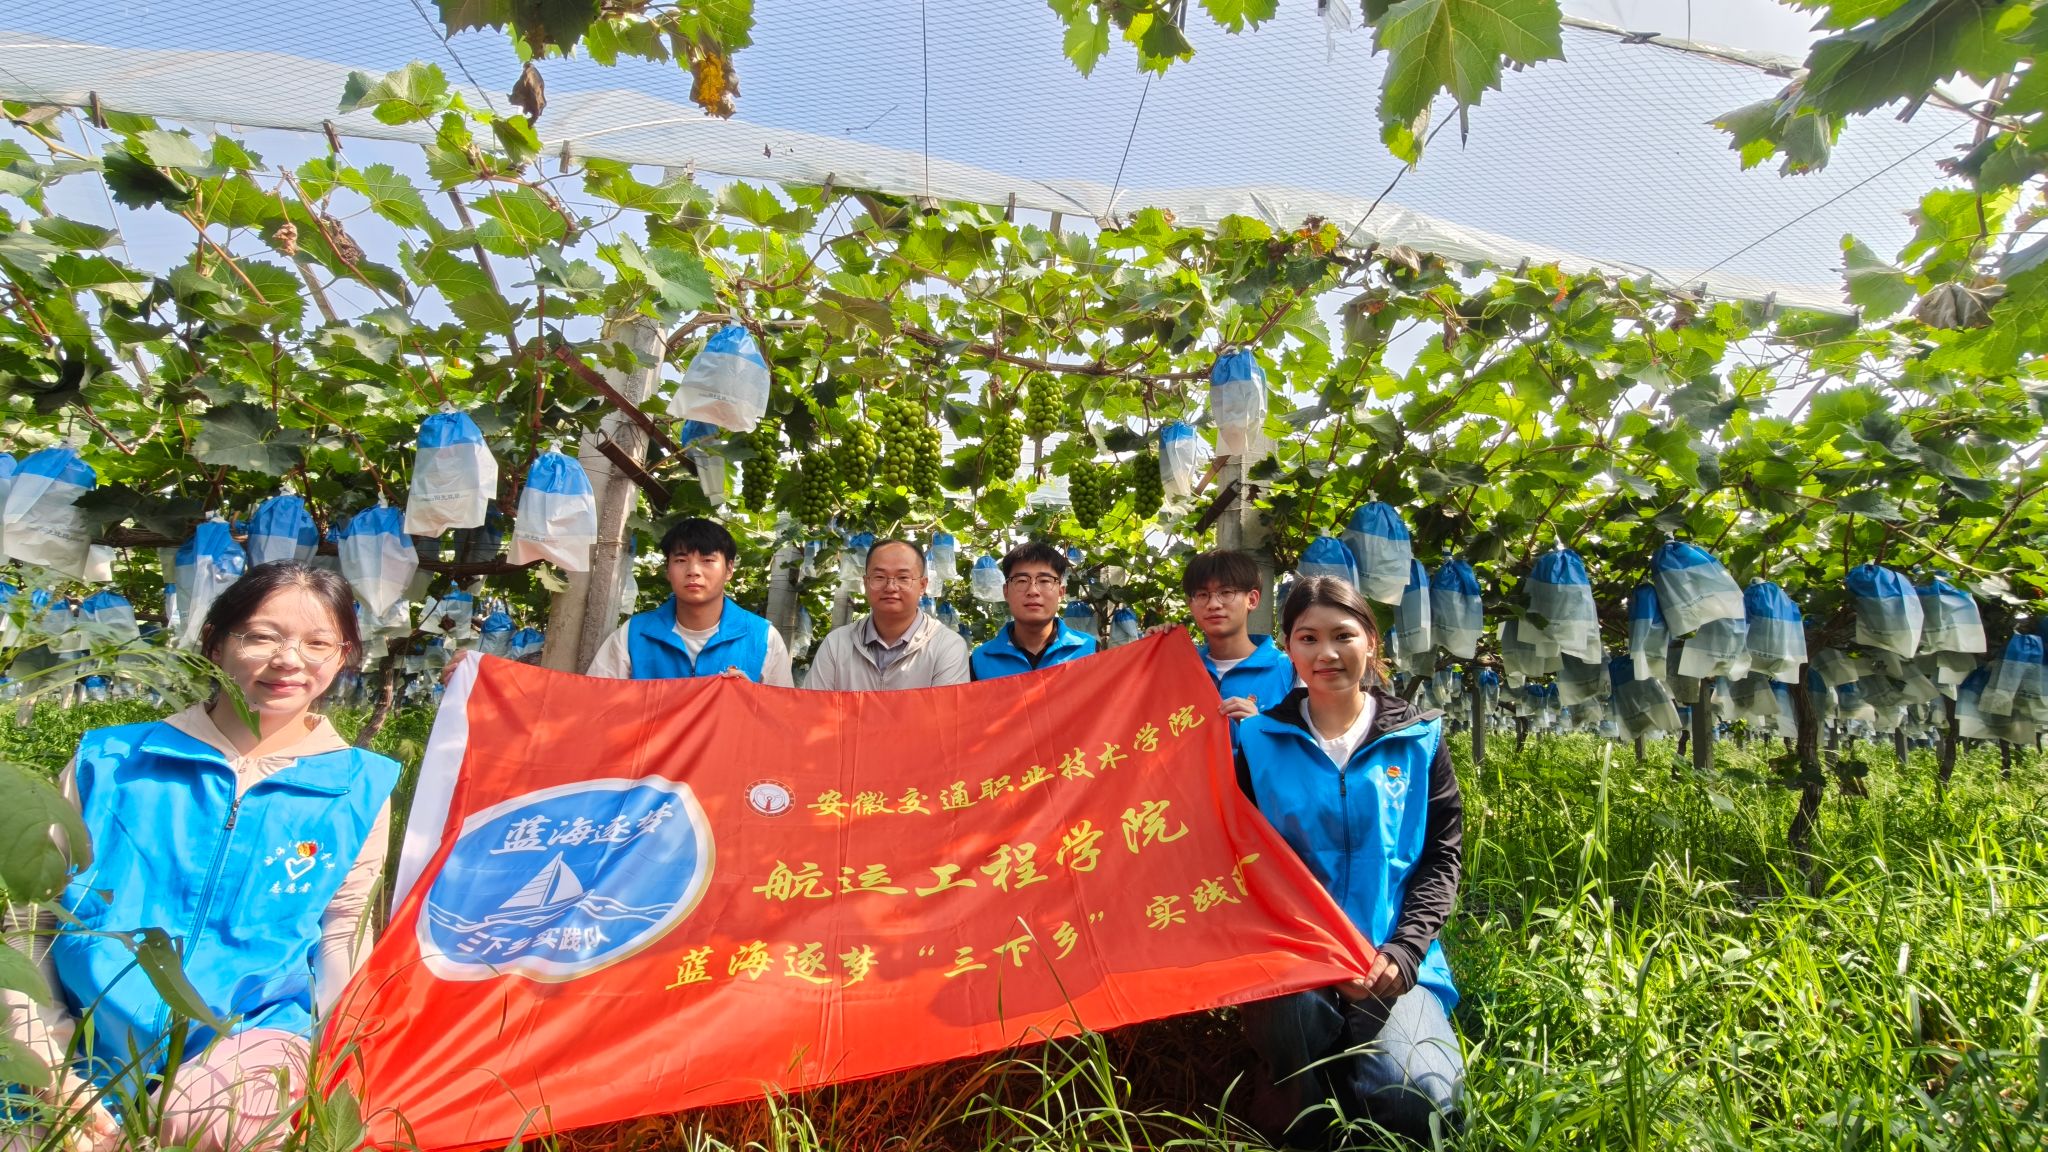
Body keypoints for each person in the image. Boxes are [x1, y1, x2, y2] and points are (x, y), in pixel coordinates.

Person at [2, 561, 402, 1152]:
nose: (289, 660)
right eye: (262, 636)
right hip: (84, 1033)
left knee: (209, 1121)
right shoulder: (110, 762)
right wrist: (45, 1058)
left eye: (318, 643)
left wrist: (335, 1064)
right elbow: (32, 918)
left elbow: (343, 930)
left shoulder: (360, 788)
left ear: (343, 657)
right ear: (215, 643)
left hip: (253, 1041)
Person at [1232, 575, 1464, 1145]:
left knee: (1422, 1105)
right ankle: (1301, 1092)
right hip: (1296, 958)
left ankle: (1365, 1064)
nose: (1326, 653)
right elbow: (1241, 861)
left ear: (1371, 642)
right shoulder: (1257, 742)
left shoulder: (1419, 739)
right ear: (1288, 649)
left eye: (1343, 636)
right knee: (1295, 1095)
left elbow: (1441, 857)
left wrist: (1404, 952)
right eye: (1307, 638)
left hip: (1389, 958)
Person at [585, 517, 795, 685]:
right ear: (667, 570)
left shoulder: (764, 638)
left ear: (729, 570)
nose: (693, 571)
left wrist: (753, 699)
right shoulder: (633, 634)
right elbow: (597, 703)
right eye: (681, 560)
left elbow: (781, 715)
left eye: (707, 560)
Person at [805, 539, 970, 691]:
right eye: (879, 577)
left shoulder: (946, 646)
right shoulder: (837, 643)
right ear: (866, 583)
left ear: (922, 585)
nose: (890, 587)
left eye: (903, 577)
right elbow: (814, 707)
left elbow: (945, 712)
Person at [1181, 550, 1296, 728]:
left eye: (1226, 592)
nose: (1213, 604)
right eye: (1202, 595)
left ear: (1252, 599)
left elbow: (1309, 740)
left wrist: (1258, 728)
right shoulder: (1183, 667)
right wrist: (1153, 647)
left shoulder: (1287, 670)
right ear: (1191, 604)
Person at [969, 541, 1097, 680]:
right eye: (1021, 581)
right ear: (1006, 592)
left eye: (1045, 581)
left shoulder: (1090, 650)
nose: (1033, 591)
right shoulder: (979, 661)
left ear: (1061, 592)